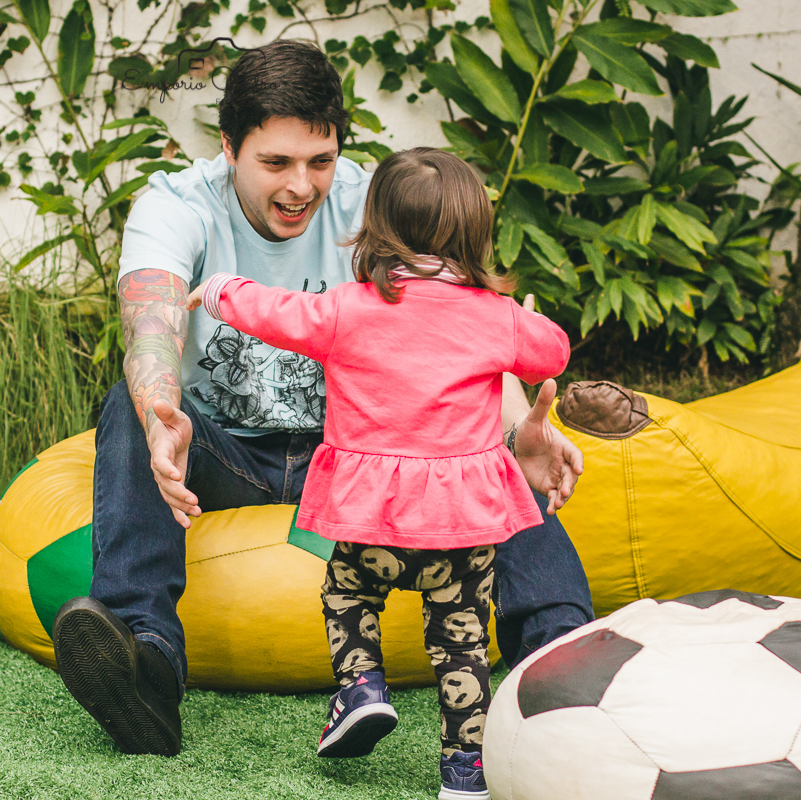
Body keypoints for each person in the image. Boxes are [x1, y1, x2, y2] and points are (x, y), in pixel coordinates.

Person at [50, 39, 592, 762]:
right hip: (225, 450)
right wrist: (161, 419)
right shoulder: (178, 205)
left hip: (359, 451)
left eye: (319, 161)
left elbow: (459, 331)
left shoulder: (376, 201)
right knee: (127, 403)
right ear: (229, 148)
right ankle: (144, 665)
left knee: (479, 457)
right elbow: (151, 322)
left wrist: (518, 425)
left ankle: (558, 664)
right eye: (275, 162)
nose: (301, 185)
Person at [185, 147, 569, 797]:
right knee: (462, 643)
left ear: (376, 230)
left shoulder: (345, 308)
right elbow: (551, 350)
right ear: (476, 232)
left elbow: (276, 313)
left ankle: (361, 686)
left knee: (346, 593)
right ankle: (464, 772)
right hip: (459, 531)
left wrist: (222, 291)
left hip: (373, 524)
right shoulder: (494, 319)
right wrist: (519, 316)